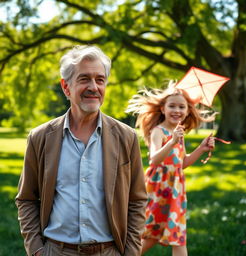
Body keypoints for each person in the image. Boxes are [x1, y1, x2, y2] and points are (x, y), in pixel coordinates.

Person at [15, 45, 147, 256]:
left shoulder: (126, 137)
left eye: (100, 79)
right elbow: (27, 199)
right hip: (56, 251)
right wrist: (36, 250)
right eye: (84, 79)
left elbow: (137, 200)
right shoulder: (40, 138)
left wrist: (131, 252)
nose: (94, 87)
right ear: (66, 87)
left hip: (110, 251)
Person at [126, 83, 216, 256]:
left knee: (178, 236)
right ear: (162, 109)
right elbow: (154, 159)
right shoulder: (158, 132)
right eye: (172, 106)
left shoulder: (178, 133)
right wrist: (172, 141)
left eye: (181, 107)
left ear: (188, 111)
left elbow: (181, 164)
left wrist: (201, 149)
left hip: (176, 190)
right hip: (158, 189)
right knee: (152, 235)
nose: (177, 110)